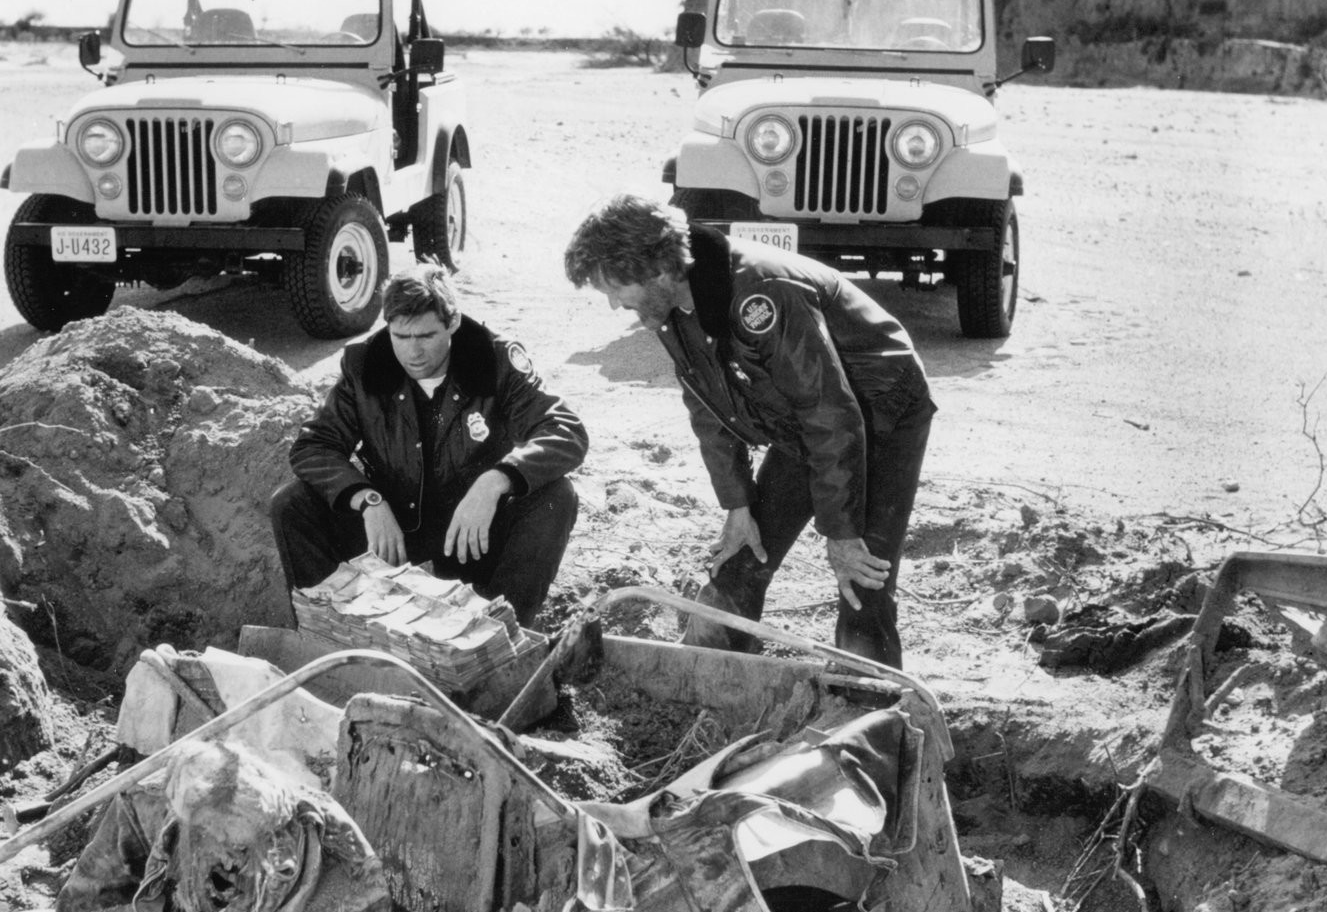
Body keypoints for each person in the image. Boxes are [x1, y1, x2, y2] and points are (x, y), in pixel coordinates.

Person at [562, 194, 935, 668]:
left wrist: (841, 533)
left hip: (884, 407)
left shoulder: (762, 293)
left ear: (657, 268)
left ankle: (867, 710)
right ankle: (710, 686)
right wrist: (739, 504)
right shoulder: (672, 303)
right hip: (805, 420)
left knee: (862, 579)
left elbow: (831, 414)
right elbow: (707, 406)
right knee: (739, 562)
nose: (615, 305)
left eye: (616, 289)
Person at [270, 264, 586, 626]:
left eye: (425, 336)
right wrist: (367, 500)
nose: (413, 352)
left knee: (557, 495)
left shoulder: (493, 358)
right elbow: (314, 446)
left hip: (472, 534)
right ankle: (324, 627)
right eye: (400, 336)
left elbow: (566, 429)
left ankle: (502, 631)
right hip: (394, 533)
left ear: (452, 324)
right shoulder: (366, 363)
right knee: (291, 503)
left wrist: (496, 481)